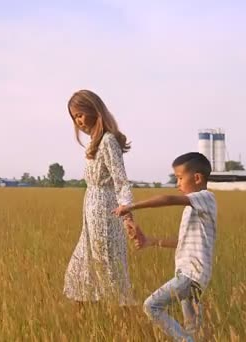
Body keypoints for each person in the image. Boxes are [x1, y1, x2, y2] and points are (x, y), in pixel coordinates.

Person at [114, 152, 217, 341]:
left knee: (151, 306)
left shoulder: (205, 198)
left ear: (197, 178)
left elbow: (167, 199)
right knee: (193, 327)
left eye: (179, 178)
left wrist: (131, 207)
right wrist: (151, 241)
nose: (177, 184)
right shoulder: (194, 208)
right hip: (190, 275)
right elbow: (182, 242)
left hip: (190, 274)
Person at [63, 89, 137, 306]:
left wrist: (128, 216)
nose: (78, 122)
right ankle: (88, 327)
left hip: (106, 217)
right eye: (74, 118)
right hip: (91, 219)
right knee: (80, 273)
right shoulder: (93, 143)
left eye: (80, 114)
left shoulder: (107, 141)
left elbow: (121, 181)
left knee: (109, 276)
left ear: (94, 110)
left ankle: (127, 326)